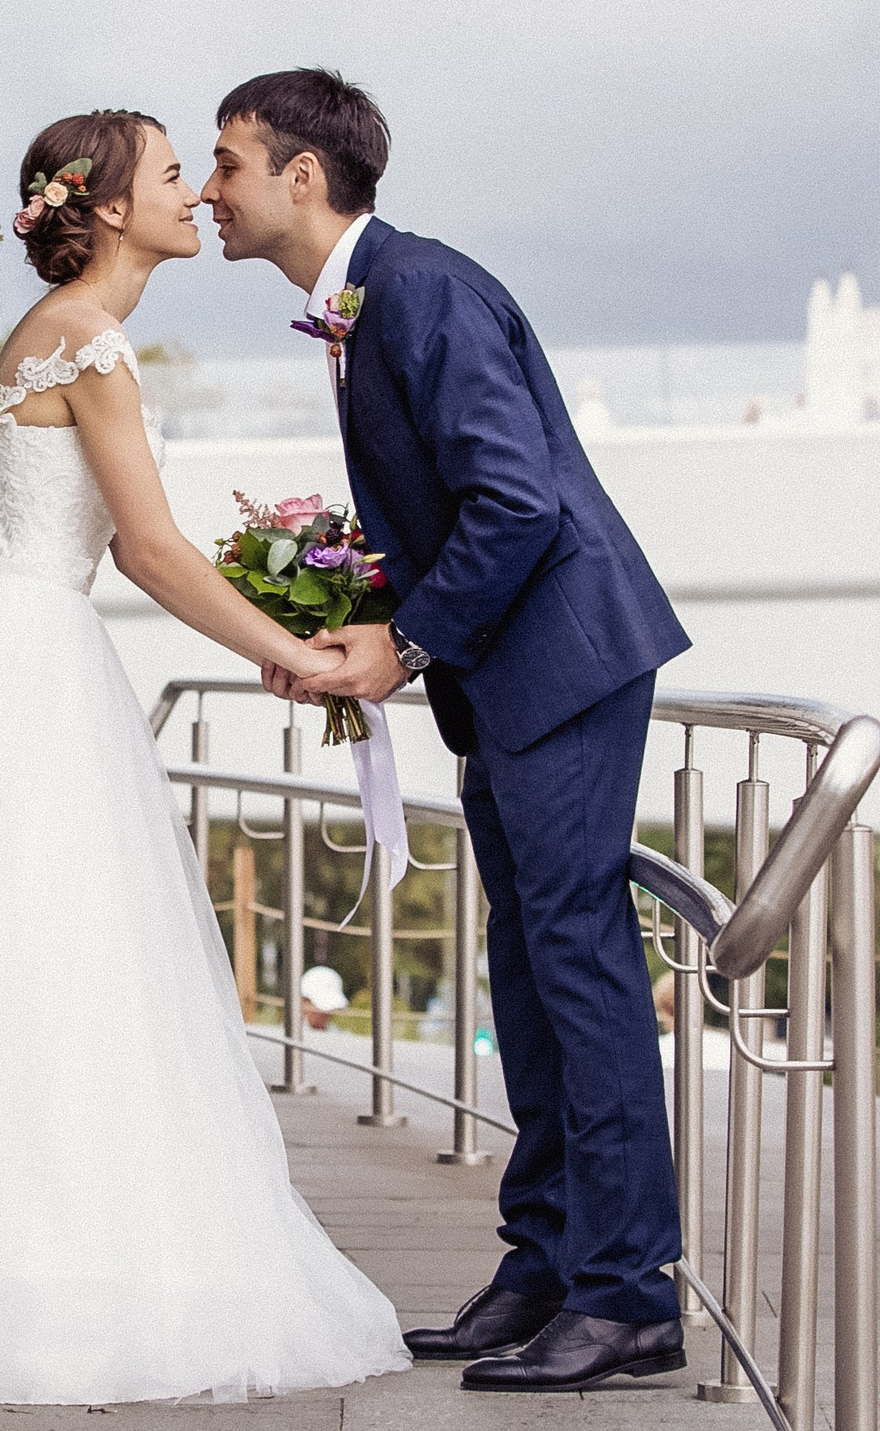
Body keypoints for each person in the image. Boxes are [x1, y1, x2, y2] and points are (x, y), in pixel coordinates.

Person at [0, 111, 408, 1405]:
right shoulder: (89, 343)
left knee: (13, 942)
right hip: (20, 651)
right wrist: (306, 654)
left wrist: (281, 634)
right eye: (174, 174)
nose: (193, 194)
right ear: (104, 208)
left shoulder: (70, 338)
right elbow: (151, 552)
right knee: (30, 942)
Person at [208, 69, 689, 1393]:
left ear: (304, 174)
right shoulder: (376, 300)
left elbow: (518, 503)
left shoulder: (419, 289)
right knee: (530, 969)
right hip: (515, 676)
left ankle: (631, 1290)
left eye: (229, 161)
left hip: (564, 666)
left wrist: (404, 642)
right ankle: (545, 1258)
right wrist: (338, 613)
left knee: (578, 964)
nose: (209, 188)